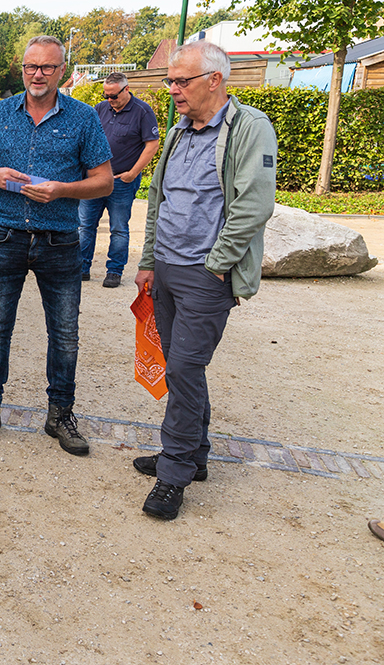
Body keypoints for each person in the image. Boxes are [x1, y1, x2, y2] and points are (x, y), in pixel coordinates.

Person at [134, 40, 276, 521]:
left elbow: (253, 206)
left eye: (181, 81)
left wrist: (217, 265)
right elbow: (159, 199)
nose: (172, 89)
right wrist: (150, 259)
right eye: (169, 81)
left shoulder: (249, 128)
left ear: (214, 80)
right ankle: (193, 455)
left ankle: (173, 474)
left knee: (184, 370)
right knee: (181, 366)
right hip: (169, 269)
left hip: (206, 276)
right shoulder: (178, 129)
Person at [0, 36, 113, 456]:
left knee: (65, 334)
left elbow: (105, 180)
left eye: (46, 67)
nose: (37, 75)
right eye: (30, 67)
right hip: (5, 236)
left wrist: (62, 190)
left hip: (59, 240)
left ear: (62, 70)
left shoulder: (82, 118)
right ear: (21, 68)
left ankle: (60, 414)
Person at [78, 73, 159, 287]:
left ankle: (114, 271)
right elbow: (87, 139)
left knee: (119, 228)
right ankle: (81, 268)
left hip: (122, 181)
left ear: (126, 89)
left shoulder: (142, 111)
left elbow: (152, 145)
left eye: (113, 96)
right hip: (94, 179)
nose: (109, 99)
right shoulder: (99, 109)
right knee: (85, 225)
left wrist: (132, 173)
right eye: (106, 95)